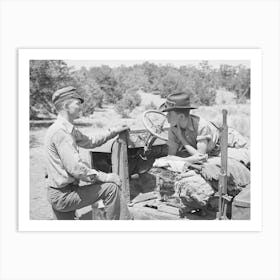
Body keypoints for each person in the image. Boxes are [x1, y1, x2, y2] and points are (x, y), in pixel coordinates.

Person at [44, 86, 131, 220]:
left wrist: (114, 131)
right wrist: (107, 177)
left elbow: (90, 141)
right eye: (77, 103)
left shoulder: (64, 129)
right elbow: (77, 169)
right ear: (66, 106)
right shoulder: (61, 132)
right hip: (63, 194)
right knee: (110, 188)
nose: (80, 107)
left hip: (59, 192)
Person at [160, 91, 250, 166]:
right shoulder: (173, 129)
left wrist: (181, 138)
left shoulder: (201, 126)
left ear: (181, 117)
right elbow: (171, 156)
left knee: (249, 158)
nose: (166, 116)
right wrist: (188, 160)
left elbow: (200, 157)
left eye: (169, 114)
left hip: (227, 141)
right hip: (211, 150)